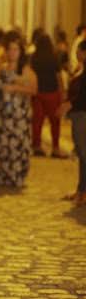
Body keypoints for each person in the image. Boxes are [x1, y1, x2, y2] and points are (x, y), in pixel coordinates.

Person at [0, 32, 37, 187]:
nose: (12, 53)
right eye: (10, 49)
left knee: (17, 144)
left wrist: (15, 88)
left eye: (15, 50)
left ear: (21, 52)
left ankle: (16, 175)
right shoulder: (1, 69)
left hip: (19, 114)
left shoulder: (26, 70)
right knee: (1, 144)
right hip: (2, 113)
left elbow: (34, 90)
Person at [30, 34, 66, 158]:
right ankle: (55, 148)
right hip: (52, 93)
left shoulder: (33, 58)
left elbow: (30, 76)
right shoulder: (54, 57)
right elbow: (58, 76)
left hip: (38, 93)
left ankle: (36, 146)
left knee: (37, 121)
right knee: (55, 122)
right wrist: (62, 92)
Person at [60, 39, 86, 205]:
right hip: (78, 115)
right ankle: (81, 190)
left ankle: (82, 192)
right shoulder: (81, 69)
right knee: (82, 155)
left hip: (82, 115)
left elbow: (83, 96)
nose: (76, 54)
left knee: (84, 154)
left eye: (79, 50)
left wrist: (69, 104)